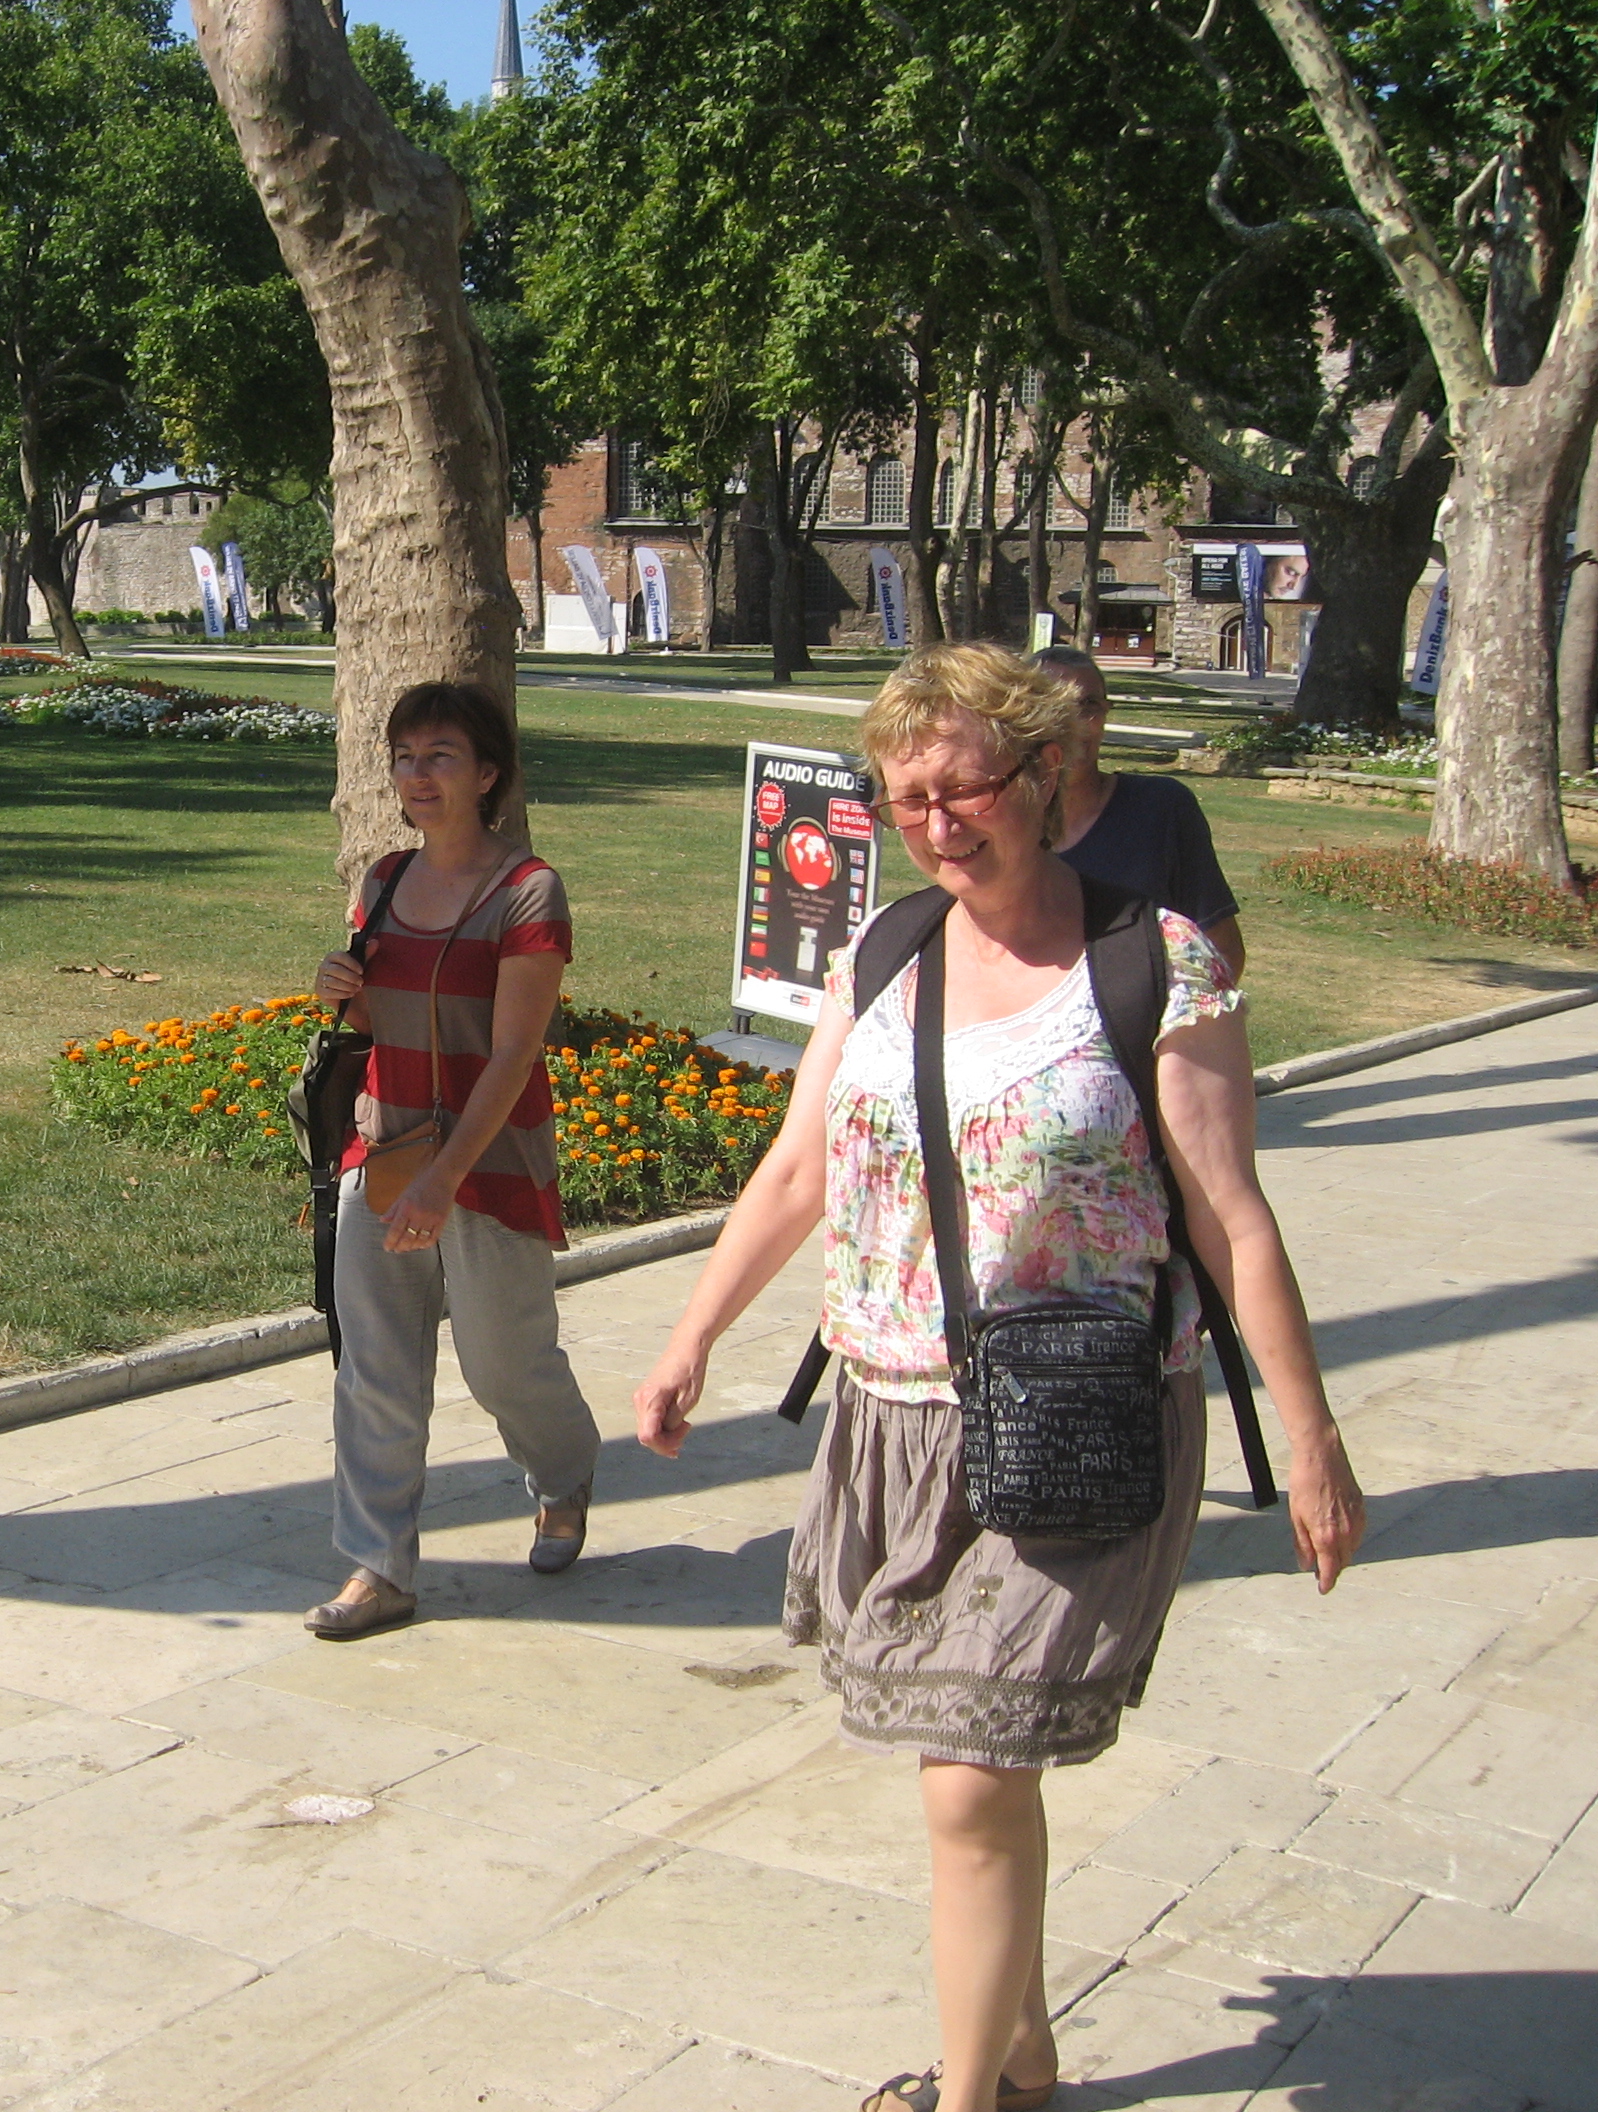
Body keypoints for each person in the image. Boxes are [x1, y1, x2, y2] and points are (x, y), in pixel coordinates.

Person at [633, 643, 1364, 2112]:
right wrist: (691, 1333)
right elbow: (797, 1170)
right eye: (905, 799)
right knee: (972, 1764)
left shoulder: (1154, 960)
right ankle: (1021, 2055)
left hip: (1081, 1417)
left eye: (962, 789)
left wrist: (1313, 1440)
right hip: (894, 1415)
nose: (936, 823)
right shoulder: (883, 953)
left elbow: (1230, 1216)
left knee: (969, 1777)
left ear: (1042, 774)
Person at [306, 681, 603, 1641]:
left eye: (440, 756)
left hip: (489, 1156)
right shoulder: (383, 881)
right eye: (405, 757)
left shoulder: (527, 891)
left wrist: (446, 1180)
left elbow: (514, 1052)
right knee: (375, 1371)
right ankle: (378, 1567)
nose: (418, 775)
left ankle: (563, 1472)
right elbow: (377, 1020)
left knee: (504, 1363)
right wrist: (341, 991)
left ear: (487, 775)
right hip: (385, 1148)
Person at [1030, 645, 1246, 978]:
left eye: (1089, 705)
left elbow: (1222, 951)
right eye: (1054, 706)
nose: (1075, 723)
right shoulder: (998, 821)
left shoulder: (1160, 809)